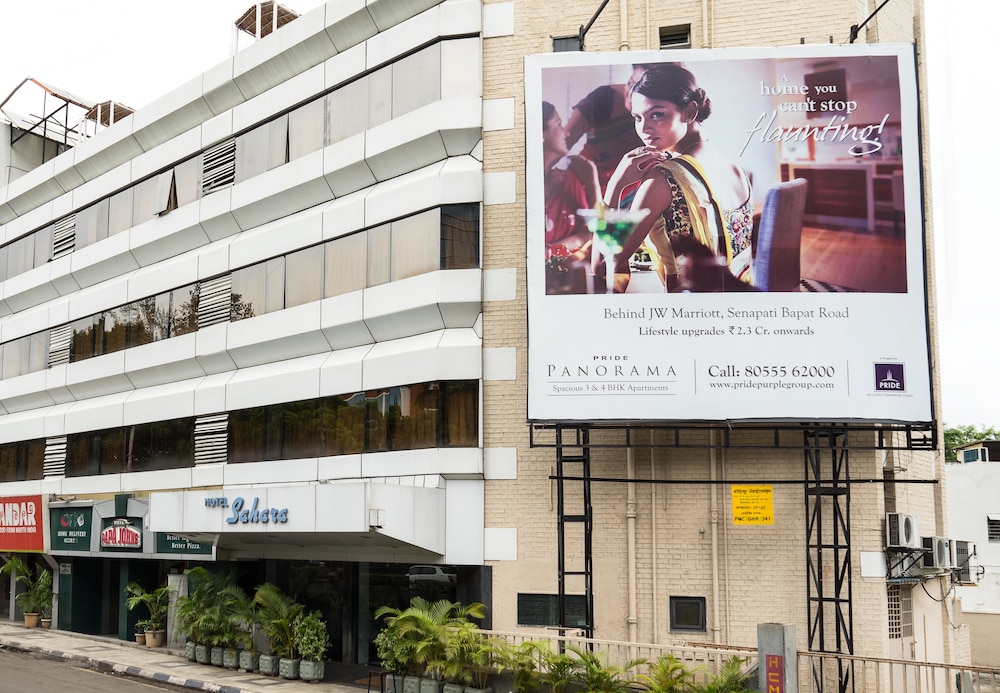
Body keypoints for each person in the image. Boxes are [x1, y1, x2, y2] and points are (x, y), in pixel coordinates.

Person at [603, 63, 755, 293]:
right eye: (637, 118)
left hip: (690, 307)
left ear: (690, 112)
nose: (644, 128)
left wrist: (615, 186)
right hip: (741, 296)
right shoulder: (735, 168)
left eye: (656, 114)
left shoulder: (663, 178)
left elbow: (603, 265)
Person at [564, 64, 655, 190]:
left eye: (641, 89)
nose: (629, 93)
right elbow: (559, 145)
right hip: (581, 186)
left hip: (629, 192)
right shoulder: (603, 99)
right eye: (630, 83)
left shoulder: (668, 116)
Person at [542, 100, 599, 254]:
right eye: (559, 124)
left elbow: (594, 231)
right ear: (540, 134)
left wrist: (592, 184)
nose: (566, 133)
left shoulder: (568, 181)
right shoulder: (519, 189)